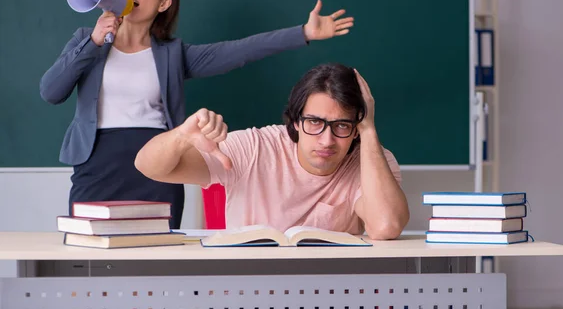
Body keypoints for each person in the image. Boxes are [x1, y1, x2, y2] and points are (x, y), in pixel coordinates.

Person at [40, 0, 354, 228]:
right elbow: (51, 92)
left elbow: (240, 50)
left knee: (155, 260)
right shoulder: (87, 41)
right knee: (89, 255)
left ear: (164, 4)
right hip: (96, 162)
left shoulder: (173, 54)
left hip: (158, 162)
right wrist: (93, 43)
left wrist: (304, 33)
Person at [135, 63, 409, 240]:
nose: (327, 140)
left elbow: (385, 226)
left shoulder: (373, 161)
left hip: (332, 294)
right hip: (246, 292)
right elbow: (149, 166)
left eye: (342, 125)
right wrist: (182, 135)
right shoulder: (254, 147)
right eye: (315, 122)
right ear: (296, 121)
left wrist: (370, 131)